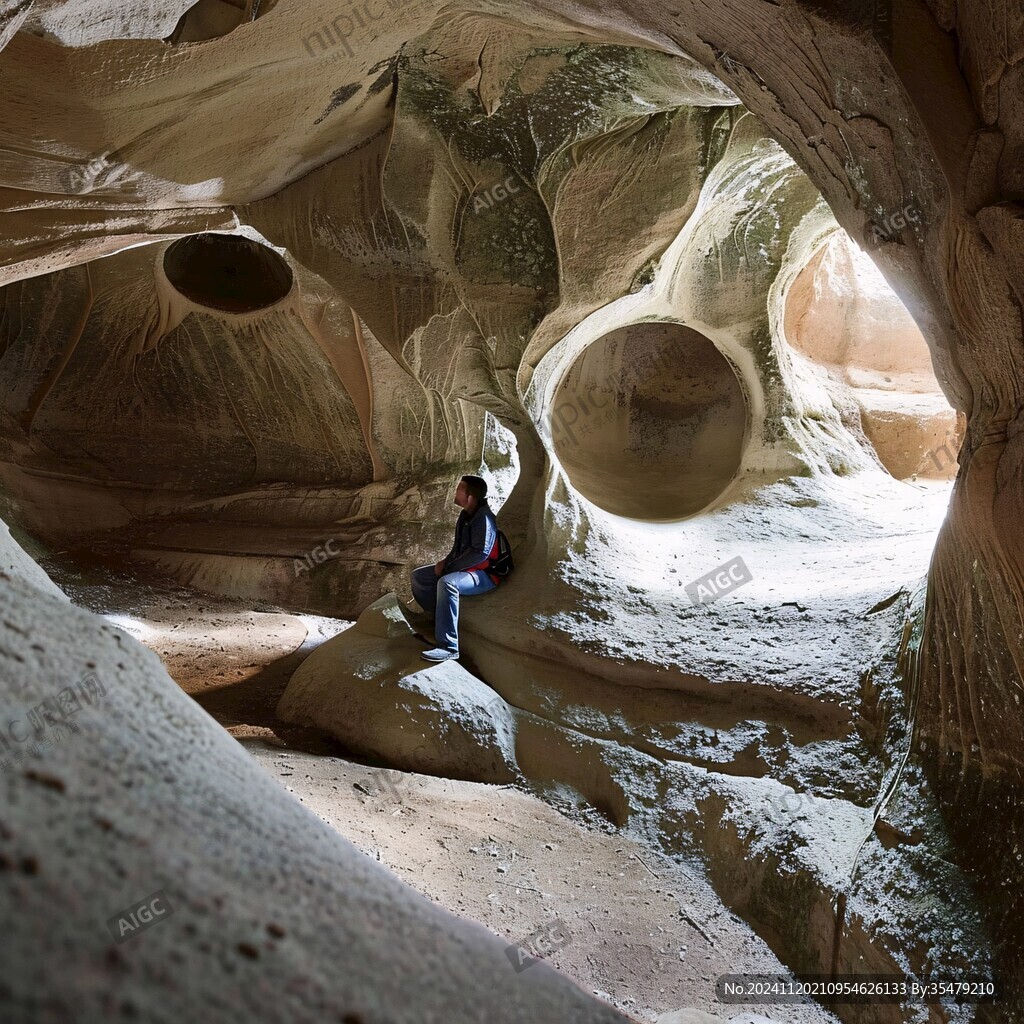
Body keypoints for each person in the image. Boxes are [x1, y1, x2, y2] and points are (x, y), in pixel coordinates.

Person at [409, 474, 501, 662]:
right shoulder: (465, 515)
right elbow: (458, 548)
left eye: (459, 488)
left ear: (470, 496)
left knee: (447, 583)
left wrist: (448, 568)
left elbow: (480, 554)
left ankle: (449, 647)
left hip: (484, 574)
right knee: (419, 577)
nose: (455, 491)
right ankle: (435, 623)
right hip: (465, 569)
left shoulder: (483, 519)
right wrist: (444, 563)